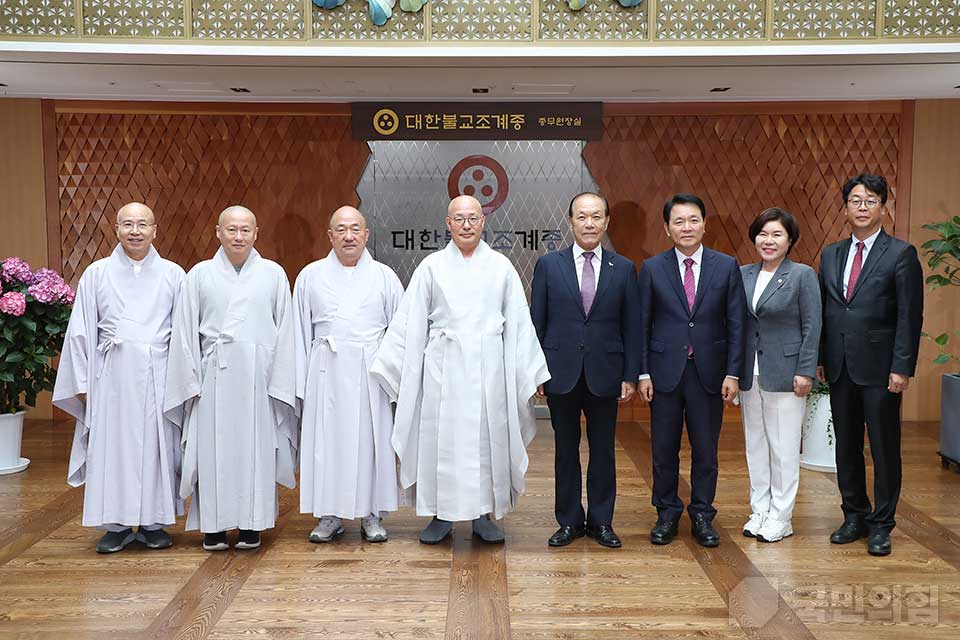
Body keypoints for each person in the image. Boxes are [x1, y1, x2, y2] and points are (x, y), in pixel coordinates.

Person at [370, 195, 550, 545]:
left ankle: (485, 514)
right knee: (442, 441)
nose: (466, 225)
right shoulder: (431, 267)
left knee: (488, 440)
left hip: (490, 369)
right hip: (444, 368)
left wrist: (529, 371)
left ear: (483, 222)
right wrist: (395, 367)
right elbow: (411, 322)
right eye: (459, 219)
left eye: (473, 218)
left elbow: (518, 323)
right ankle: (441, 515)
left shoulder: (501, 267)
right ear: (447, 223)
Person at [164, 205, 298, 552]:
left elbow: (286, 332)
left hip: (258, 376)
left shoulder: (272, 274)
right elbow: (184, 333)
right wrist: (190, 381)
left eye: (245, 230)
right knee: (213, 449)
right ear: (218, 233)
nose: (238, 237)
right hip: (215, 375)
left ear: (256, 234)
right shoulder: (199, 275)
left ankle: (253, 524)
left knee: (256, 448)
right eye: (231, 230)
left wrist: (281, 382)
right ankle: (214, 526)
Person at [53, 202, 185, 553]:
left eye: (143, 224)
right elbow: (80, 331)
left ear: (155, 230)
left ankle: (156, 521)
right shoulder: (96, 274)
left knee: (159, 448)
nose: (135, 231)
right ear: (116, 229)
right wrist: (82, 383)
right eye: (128, 224)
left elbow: (185, 334)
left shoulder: (174, 275)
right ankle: (115, 524)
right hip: (111, 376)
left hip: (159, 373)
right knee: (113, 449)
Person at [817, 173, 923, 556]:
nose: (862, 207)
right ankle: (854, 515)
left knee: (883, 447)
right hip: (840, 366)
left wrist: (902, 367)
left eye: (870, 200)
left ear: (884, 207)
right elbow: (826, 311)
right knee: (845, 446)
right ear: (846, 207)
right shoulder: (831, 253)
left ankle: (882, 524)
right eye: (855, 200)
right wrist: (820, 359)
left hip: (881, 369)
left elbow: (910, 317)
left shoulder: (900, 254)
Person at [637, 193, 747, 547]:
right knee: (664, 450)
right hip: (664, 372)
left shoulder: (726, 265)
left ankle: (702, 513)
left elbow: (737, 323)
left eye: (693, 220)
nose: (687, 227)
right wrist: (642, 373)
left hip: (710, 374)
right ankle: (667, 513)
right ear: (667, 228)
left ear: (705, 224)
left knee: (706, 449)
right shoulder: (652, 268)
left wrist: (733, 372)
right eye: (679, 221)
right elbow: (642, 324)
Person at [531, 192, 639, 549]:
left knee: (604, 450)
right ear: (570, 221)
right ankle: (569, 521)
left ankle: (602, 521)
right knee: (565, 449)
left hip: (606, 372)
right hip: (560, 372)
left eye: (596, 217)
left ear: (606, 222)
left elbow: (631, 326)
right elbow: (538, 324)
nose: (589, 223)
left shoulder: (622, 268)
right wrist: (537, 372)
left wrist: (629, 374)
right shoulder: (549, 265)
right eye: (582, 217)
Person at [293, 206, 403, 543]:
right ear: (330, 236)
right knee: (327, 444)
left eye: (355, 229)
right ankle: (329, 514)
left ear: (366, 234)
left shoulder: (385, 276)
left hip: (372, 373)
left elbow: (401, 331)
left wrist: (393, 378)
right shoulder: (310, 276)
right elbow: (297, 331)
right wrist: (301, 381)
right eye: (341, 229)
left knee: (371, 443)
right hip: (326, 370)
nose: (348, 236)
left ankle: (373, 514)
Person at [739, 208, 821, 543]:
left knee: (784, 447)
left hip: (787, 374)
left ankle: (781, 516)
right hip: (750, 373)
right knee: (755, 445)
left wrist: (805, 370)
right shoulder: (743, 273)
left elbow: (812, 325)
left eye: (776, 235)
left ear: (790, 240)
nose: (768, 241)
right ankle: (760, 509)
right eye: (763, 234)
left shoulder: (802, 275)